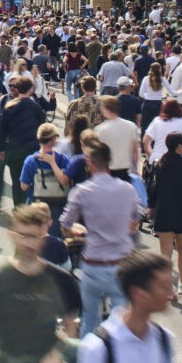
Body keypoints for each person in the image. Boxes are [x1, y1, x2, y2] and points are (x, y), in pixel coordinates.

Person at [0, 203, 82, 363]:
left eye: (35, 236)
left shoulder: (61, 279)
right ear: (11, 235)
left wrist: (57, 355)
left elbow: (71, 325)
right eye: (23, 235)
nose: (29, 243)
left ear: (44, 236)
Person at [78, 249, 176, 363]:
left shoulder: (164, 340)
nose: (171, 294)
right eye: (163, 287)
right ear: (139, 293)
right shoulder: (97, 349)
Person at [60, 139, 141, 337]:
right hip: (121, 264)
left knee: (90, 319)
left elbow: (64, 226)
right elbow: (134, 224)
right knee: (120, 320)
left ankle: (88, 361)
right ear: (110, 161)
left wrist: (78, 232)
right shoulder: (128, 189)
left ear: (89, 163)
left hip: (93, 263)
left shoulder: (81, 191)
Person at [149, 132, 182, 297]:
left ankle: (166, 287)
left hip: (164, 212)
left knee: (165, 252)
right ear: (179, 147)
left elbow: (152, 188)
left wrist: (151, 206)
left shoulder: (160, 164)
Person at [93, 95, 140, 182]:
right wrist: (135, 168)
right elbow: (135, 151)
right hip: (126, 171)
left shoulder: (100, 129)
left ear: (105, 108)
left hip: (107, 171)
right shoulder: (131, 126)